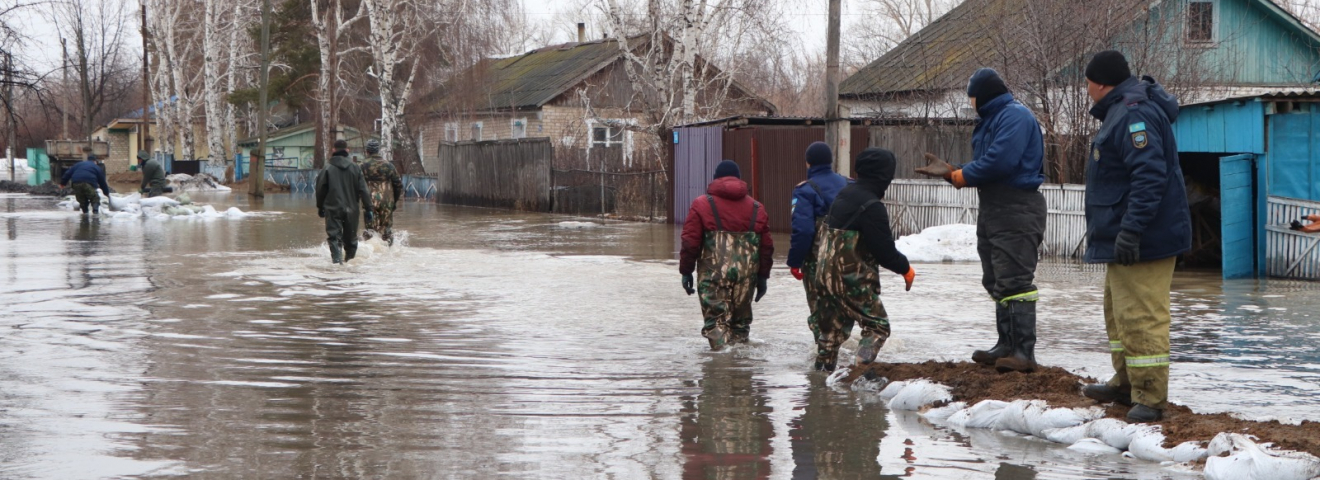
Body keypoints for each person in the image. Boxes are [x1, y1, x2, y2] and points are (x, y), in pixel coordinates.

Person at [1078, 50, 1190, 423]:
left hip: (1143, 239)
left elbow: (1149, 176)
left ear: (1100, 83)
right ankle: (1126, 383)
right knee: (1118, 313)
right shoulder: (1122, 110)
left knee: (1142, 315)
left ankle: (1150, 397)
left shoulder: (1132, 114)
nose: (1087, 88)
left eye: (1088, 82)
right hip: (1125, 237)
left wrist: (1131, 230)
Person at [915, 68, 1048, 373]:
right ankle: (1006, 344)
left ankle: (1023, 352)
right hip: (993, 206)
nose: (970, 103)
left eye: (971, 97)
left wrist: (958, 174)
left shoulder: (1014, 116)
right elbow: (987, 163)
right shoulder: (993, 120)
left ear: (981, 95)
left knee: (1015, 280)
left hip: (1017, 205)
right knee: (996, 278)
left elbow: (1001, 162)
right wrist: (953, 171)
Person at [814, 148, 915, 372]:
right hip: (850, 278)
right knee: (877, 326)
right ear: (885, 177)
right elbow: (885, 253)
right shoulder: (872, 206)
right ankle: (859, 372)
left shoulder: (844, 194)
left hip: (824, 277)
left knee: (830, 334)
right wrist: (906, 269)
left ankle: (819, 387)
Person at [679, 160, 773, 350]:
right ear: (739, 180)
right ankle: (740, 374)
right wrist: (762, 277)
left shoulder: (701, 204)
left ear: (715, 179)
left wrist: (686, 271)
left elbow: (690, 242)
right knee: (741, 326)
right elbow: (766, 247)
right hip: (746, 276)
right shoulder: (757, 207)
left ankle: (720, 371)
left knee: (716, 324)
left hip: (713, 275)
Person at [787, 141, 849, 371]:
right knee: (845, 306)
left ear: (808, 162)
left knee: (820, 309)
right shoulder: (849, 184)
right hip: (849, 260)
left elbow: (803, 230)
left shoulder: (805, 190)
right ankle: (844, 354)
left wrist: (795, 261)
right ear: (830, 161)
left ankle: (824, 359)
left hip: (818, 262)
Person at [315, 140, 374, 264]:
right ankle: (349, 264)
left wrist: (320, 207)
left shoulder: (327, 168)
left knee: (334, 237)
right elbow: (363, 190)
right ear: (347, 151)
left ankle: (337, 264)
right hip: (352, 209)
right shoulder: (356, 168)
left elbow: (320, 189)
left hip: (333, 209)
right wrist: (369, 208)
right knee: (351, 240)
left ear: (333, 150)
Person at [359, 139, 403, 246]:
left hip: (369, 201)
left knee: (370, 231)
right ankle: (388, 254)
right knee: (386, 231)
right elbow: (398, 185)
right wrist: (394, 202)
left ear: (367, 151)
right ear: (378, 151)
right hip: (387, 201)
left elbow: (356, 185)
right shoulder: (389, 165)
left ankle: (370, 255)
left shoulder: (362, 165)